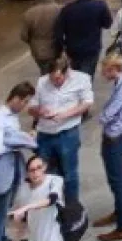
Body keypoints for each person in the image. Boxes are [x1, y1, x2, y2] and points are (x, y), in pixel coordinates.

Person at [0, 82, 37, 241]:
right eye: (24, 101)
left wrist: (22, 137)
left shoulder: (11, 117)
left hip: (13, 166)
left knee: (6, 207)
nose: (24, 106)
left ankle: (1, 240)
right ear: (15, 98)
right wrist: (17, 140)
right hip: (2, 168)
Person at [32, 55, 93, 206]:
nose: (55, 82)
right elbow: (31, 107)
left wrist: (65, 115)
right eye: (52, 79)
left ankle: (72, 207)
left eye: (58, 78)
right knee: (45, 172)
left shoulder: (82, 79)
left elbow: (87, 103)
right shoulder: (42, 82)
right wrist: (41, 111)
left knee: (70, 173)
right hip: (45, 133)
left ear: (67, 72)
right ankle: (50, 204)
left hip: (67, 133)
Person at [94, 54, 122, 241]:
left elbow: (108, 114)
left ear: (113, 69)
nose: (102, 73)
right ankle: (118, 211)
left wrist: (102, 118)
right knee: (115, 179)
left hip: (115, 136)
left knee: (116, 180)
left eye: (105, 69)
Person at [7, 155, 68, 241]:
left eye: (38, 168)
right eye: (32, 170)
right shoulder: (24, 190)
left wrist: (27, 207)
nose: (35, 173)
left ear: (44, 167)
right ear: (28, 172)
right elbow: (22, 220)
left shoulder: (54, 181)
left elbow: (51, 200)